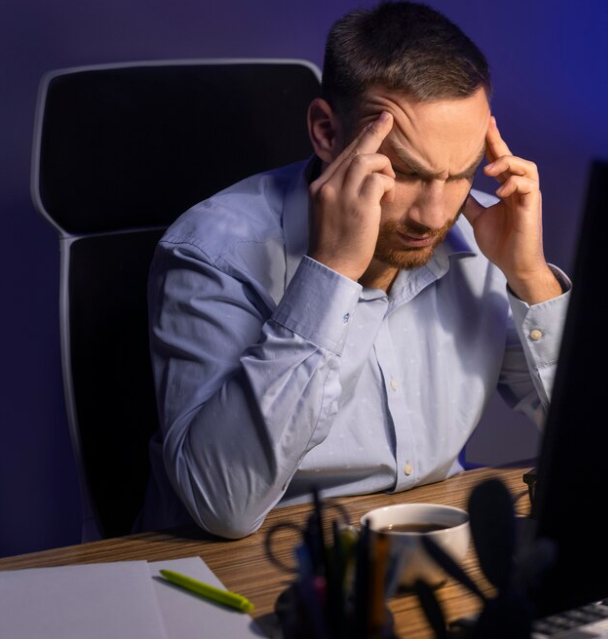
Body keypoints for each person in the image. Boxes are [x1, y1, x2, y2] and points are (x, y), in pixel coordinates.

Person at [140, 1, 570, 539]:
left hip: (430, 550)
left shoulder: (481, 232)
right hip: (257, 566)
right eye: (407, 172)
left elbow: (602, 449)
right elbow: (223, 505)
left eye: (459, 173)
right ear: (326, 132)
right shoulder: (208, 252)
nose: (434, 216)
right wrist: (333, 272)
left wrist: (530, 277)